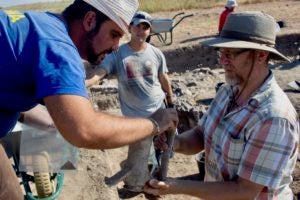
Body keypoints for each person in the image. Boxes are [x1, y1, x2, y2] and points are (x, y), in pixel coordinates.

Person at [0, 0, 178, 199]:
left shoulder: (40, 24)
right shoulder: (59, 47)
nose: (115, 47)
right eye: (114, 35)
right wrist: (155, 123)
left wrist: (56, 120)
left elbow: (9, 86)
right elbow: (84, 131)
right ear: (90, 20)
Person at [144, 11, 299, 199]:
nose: (223, 61)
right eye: (221, 52)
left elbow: (244, 192)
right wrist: (175, 143)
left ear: (261, 55)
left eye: (231, 53)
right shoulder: (228, 91)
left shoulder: (274, 118)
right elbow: (202, 135)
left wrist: (174, 186)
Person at [86, 10, 174, 172]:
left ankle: (158, 180)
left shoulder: (156, 53)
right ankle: (146, 185)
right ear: (130, 28)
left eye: (145, 27)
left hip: (159, 111)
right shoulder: (118, 55)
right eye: (137, 26)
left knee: (163, 151)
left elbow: (163, 78)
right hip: (136, 120)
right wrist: (83, 84)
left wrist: (170, 102)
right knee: (144, 159)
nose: (141, 31)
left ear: (150, 30)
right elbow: (100, 73)